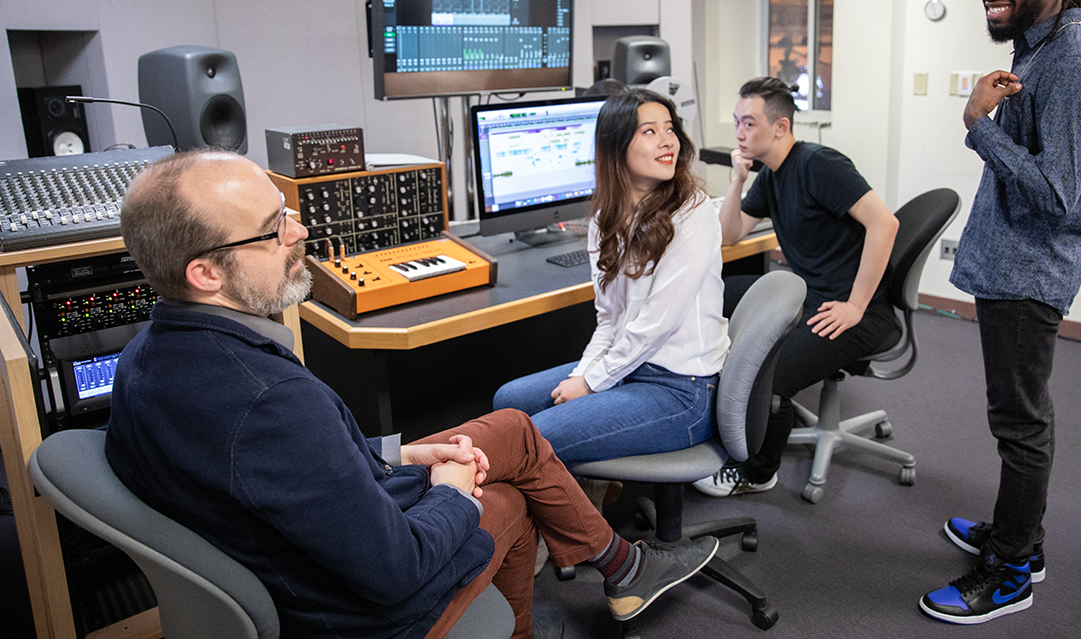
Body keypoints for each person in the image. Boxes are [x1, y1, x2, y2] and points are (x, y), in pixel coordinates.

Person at [103, 150, 718, 639]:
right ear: (205, 273)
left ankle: (621, 569)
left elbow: (285, 470)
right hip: (359, 612)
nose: (301, 230)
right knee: (502, 499)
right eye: (273, 229)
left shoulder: (146, 356)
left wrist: (400, 456)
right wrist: (452, 494)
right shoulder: (268, 401)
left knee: (512, 427)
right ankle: (599, 580)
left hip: (318, 538)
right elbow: (395, 572)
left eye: (285, 212)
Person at [919, 0, 1081, 625]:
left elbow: (1059, 193)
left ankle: (1010, 571)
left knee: (1021, 422)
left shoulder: (1071, 60)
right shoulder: (1040, 52)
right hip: (1013, 267)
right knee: (1015, 415)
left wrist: (978, 126)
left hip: (1031, 273)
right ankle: (1019, 539)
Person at [492, 88, 729, 467]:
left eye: (669, 129)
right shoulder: (605, 220)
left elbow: (656, 326)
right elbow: (609, 320)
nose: (667, 140)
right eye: (649, 131)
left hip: (683, 389)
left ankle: (586, 526)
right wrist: (585, 375)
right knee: (509, 401)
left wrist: (589, 383)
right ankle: (591, 493)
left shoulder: (692, 211)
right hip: (630, 368)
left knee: (535, 439)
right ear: (616, 147)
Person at [691, 76, 899, 497]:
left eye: (749, 123)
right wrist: (736, 180)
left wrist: (856, 306)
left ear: (781, 127)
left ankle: (758, 470)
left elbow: (885, 223)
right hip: (809, 296)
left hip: (850, 311)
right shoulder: (771, 175)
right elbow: (729, 234)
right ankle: (711, 421)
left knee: (769, 374)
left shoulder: (819, 164)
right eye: (736, 122)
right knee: (718, 293)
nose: (738, 132)